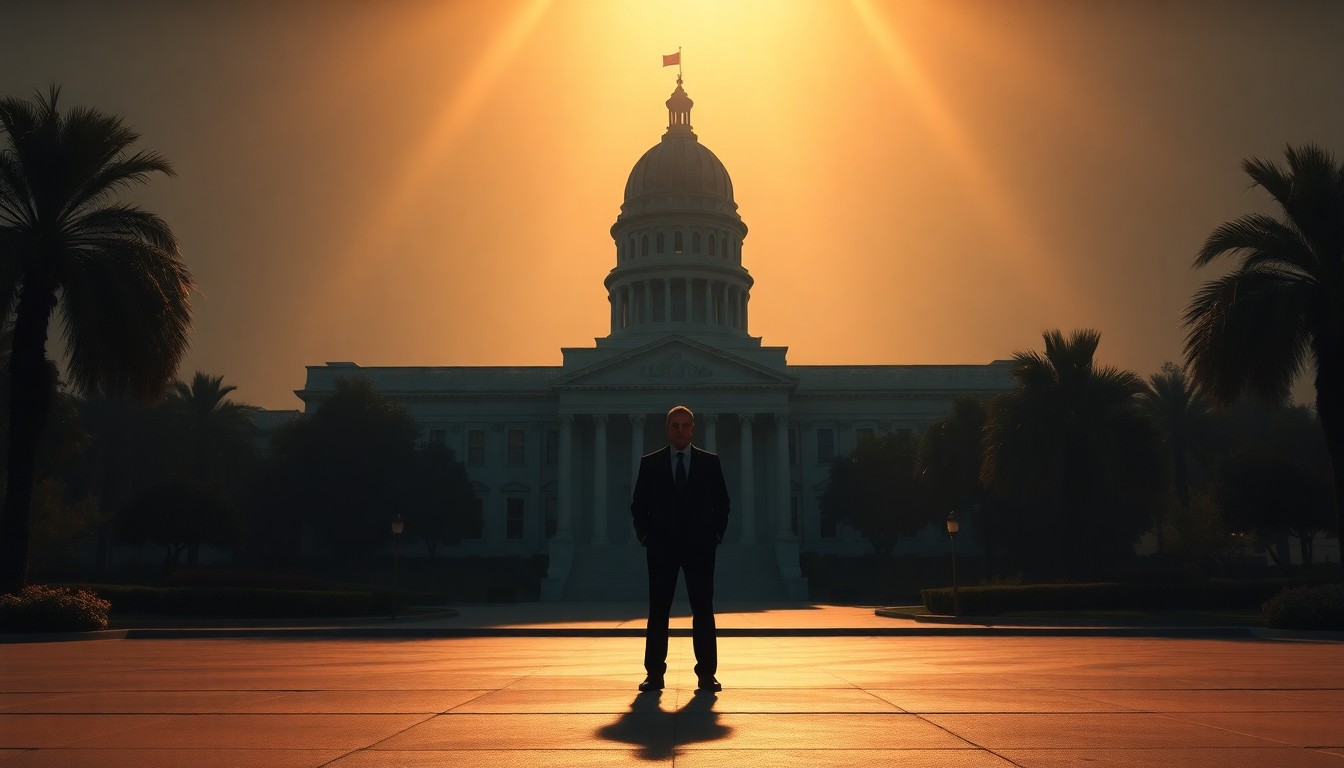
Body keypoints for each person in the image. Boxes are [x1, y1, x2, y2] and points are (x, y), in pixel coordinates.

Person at [631, 404, 731, 693]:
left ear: (693, 429)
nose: (680, 430)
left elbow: (723, 503)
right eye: (675, 425)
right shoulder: (650, 463)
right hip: (661, 548)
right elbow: (638, 505)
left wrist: (715, 536)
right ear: (667, 429)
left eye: (685, 425)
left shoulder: (710, 463)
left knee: (703, 611)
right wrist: (646, 537)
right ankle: (654, 674)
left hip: (700, 548)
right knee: (658, 611)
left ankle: (706, 674)